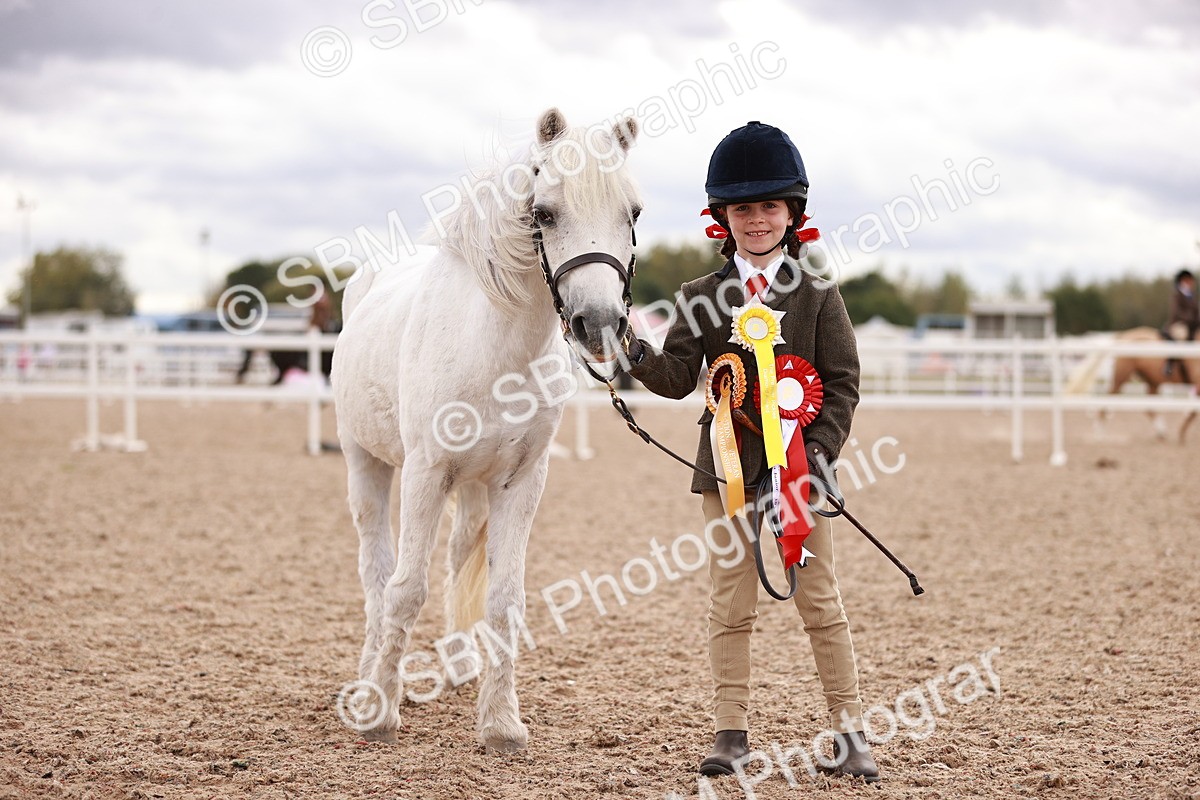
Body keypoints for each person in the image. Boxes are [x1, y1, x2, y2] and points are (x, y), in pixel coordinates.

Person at [622, 122, 878, 781]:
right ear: (723, 219)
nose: (757, 220)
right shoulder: (700, 297)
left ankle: (850, 732)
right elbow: (680, 377)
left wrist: (816, 453)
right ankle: (731, 733)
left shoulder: (817, 292)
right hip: (726, 472)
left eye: (769, 207)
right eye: (744, 209)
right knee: (729, 601)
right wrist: (634, 353)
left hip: (800, 470)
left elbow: (843, 380)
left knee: (819, 599)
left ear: (792, 213)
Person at [1163, 269, 1198, 381]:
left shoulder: (1192, 296)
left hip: (1192, 325)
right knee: (1182, 335)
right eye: (1189, 280)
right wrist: (1191, 319)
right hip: (1179, 325)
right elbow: (1177, 313)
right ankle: (1170, 363)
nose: (1191, 283)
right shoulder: (1177, 295)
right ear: (1183, 280)